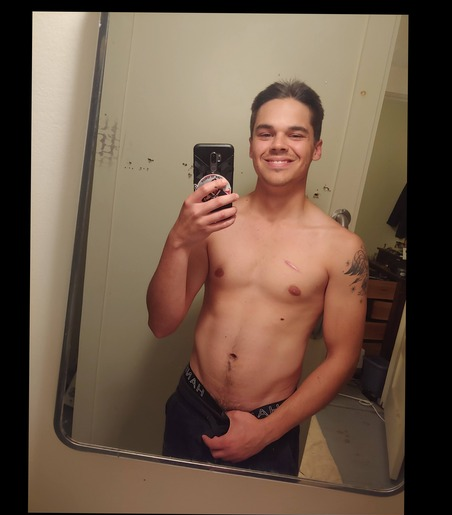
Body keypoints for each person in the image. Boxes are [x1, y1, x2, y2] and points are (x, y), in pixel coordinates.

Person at [147, 79, 368, 476]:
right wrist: (177, 240)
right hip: (191, 405)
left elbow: (344, 356)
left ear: (317, 148)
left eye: (295, 134)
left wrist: (266, 432)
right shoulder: (215, 222)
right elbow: (161, 324)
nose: (278, 145)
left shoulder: (342, 248)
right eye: (266, 133)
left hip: (270, 423)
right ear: (250, 146)